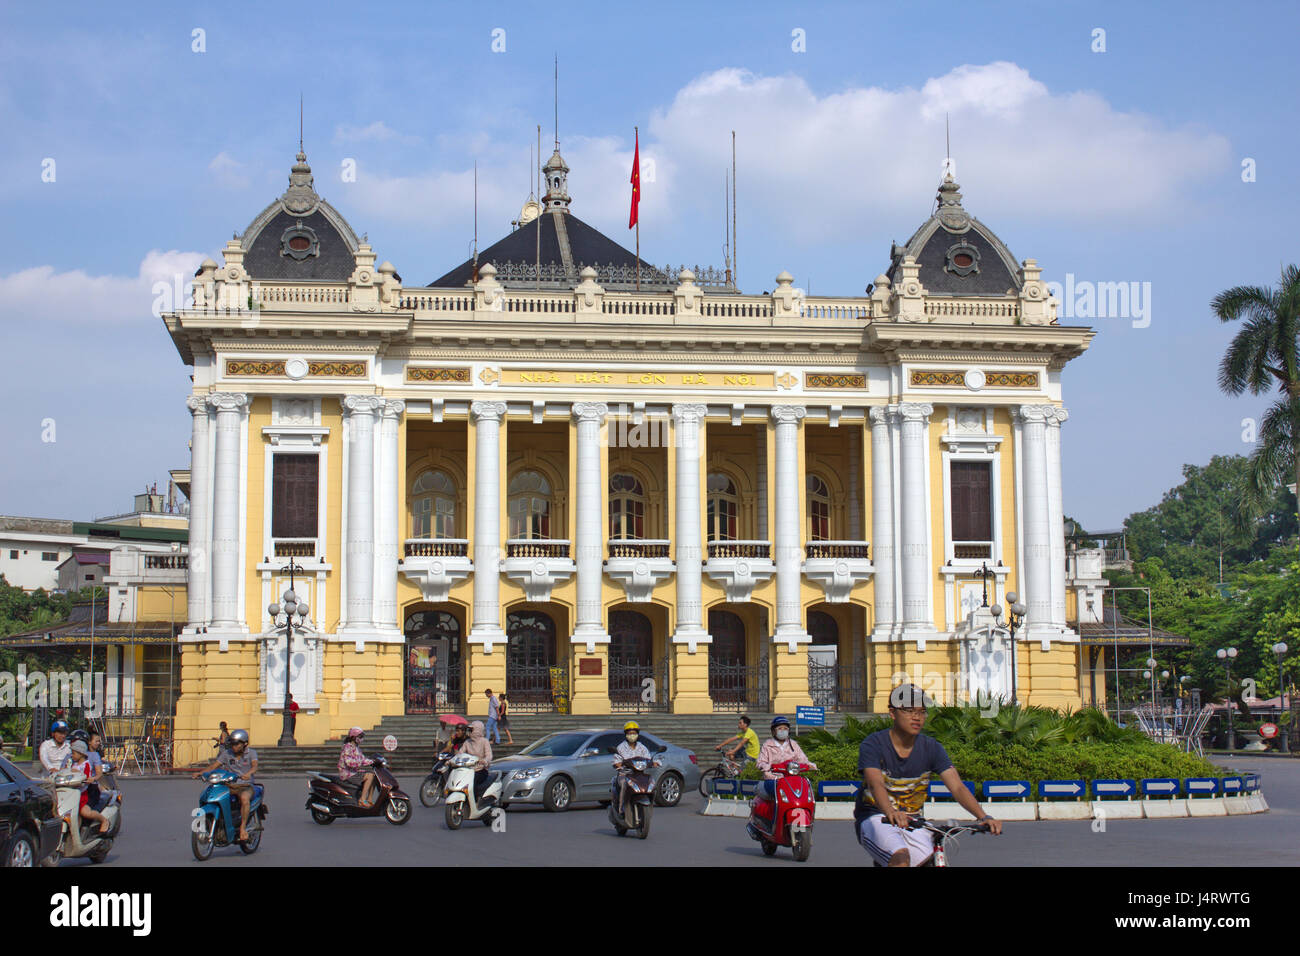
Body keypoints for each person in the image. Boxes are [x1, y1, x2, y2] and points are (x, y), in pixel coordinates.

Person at [854, 684, 1002, 867]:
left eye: (922, 711)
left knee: (929, 860)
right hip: (877, 817)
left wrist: (983, 816)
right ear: (892, 713)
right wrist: (891, 812)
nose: (916, 717)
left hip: (914, 821)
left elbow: (957, 786)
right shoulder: (874, 744)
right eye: (909, 710)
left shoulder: (932, 748)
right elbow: (876, 783)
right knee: (901, 859)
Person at [193, 729, 258, 842]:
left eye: (237, 744)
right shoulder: (227, 753)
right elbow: (214, 766)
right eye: (232, 743)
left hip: (245, 785)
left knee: (244, 798)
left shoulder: (251, 753)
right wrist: (201, 773)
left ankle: (242, 829)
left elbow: (254, 766)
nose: (234, 746)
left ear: (244, 743)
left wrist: (249, 774)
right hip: (229, 785)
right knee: (214, 795)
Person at [755, 716, 817, 821]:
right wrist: (767, 767)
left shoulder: (793, 744)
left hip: (792, 779)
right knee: (777, 796)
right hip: (774, 778)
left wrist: (810, 765)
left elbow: (802, 759)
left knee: (806, 791)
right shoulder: (767, 745)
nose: (783, 731)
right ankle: (775, 821)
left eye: (785, 729)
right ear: (773, 731)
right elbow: (760, 762)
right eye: (780, 729)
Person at [66, 741, 112, 834]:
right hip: (73, 794)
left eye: (74, 753)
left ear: (81, 753)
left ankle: (104, 820)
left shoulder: (86, 764)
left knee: (85, 812)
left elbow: (86, 777)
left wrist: (78, 774)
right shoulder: (73, 764)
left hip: (84, 793)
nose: (72, 755)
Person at [611, 720, 652, 814]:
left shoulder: (642, 747)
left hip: (639, 775)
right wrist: (619, 764)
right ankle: (621, 809)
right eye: (629, 733)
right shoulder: (621, 747)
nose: (632, 735)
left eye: (634, 733)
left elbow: (648, 758)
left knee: (650, 781)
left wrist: (653, 762)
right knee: (624, 785)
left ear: (637, 734)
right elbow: (616, 761)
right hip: (625, 775)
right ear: (626, 734)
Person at [337, 727, 378, 808]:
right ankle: (362, 800)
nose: (361, 739)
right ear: (353, 737)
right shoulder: (347, 747)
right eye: (360, 737)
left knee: (374, 776)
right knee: (369, 776)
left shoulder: (357, 748)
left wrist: (373, 761)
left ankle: (369, 800)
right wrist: (359, 763)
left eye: (362, 737)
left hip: (354, 772)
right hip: (347, 774)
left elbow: (363, 759)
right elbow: (349, 762)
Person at [461, 720, 493, 799]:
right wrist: (451, 761)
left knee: (472, 780)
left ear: (477, 730)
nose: (469, 732)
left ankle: (474, 800)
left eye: (471, 730)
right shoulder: (467, 742)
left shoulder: (484, 741)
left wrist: (485, 760)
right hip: (468, 770)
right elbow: (460, 753)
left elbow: (489, 755)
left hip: (480, 770)